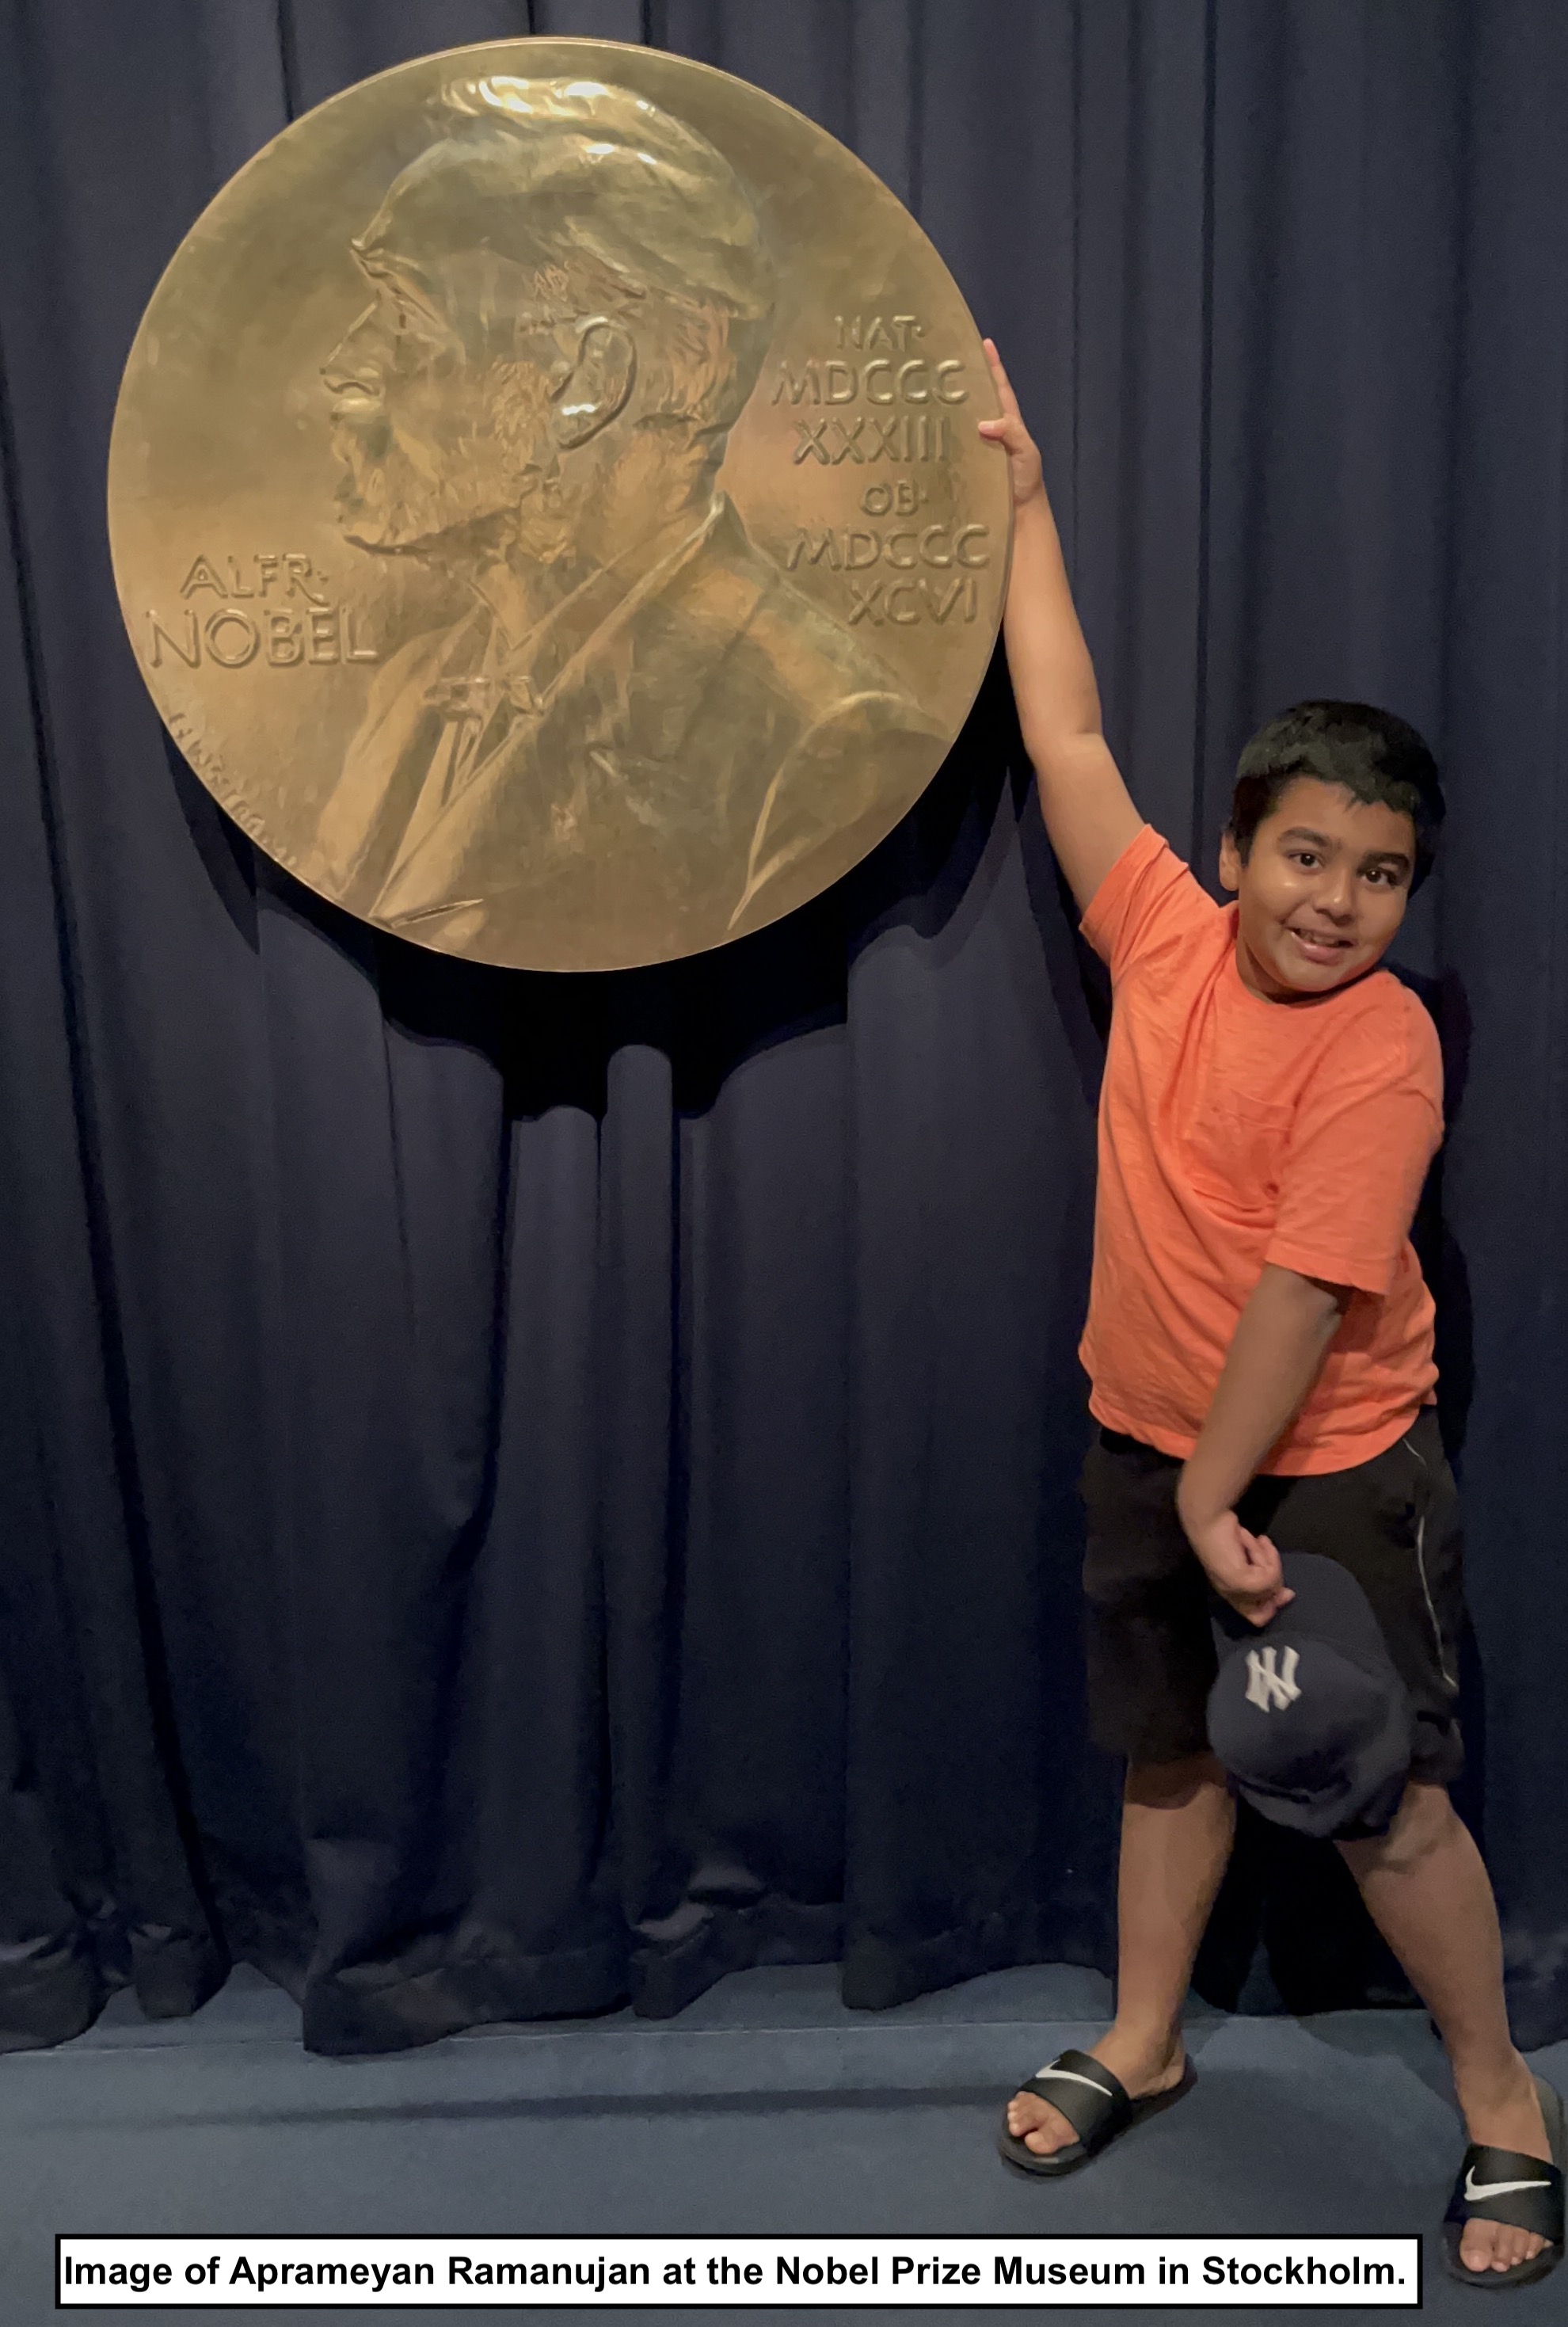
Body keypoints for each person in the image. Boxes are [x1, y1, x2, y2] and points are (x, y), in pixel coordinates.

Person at [979, 343, 1563, 2290]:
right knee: (1167, 1758)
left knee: (1378, 1803)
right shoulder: (1157, 925)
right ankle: (1142, 2040)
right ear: (1232, 850)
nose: (1333, 899)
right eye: (1303, 854)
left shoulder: (1382, 1048)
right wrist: (1023, 504)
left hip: (1310, 1475)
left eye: (1377, 873)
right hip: (1152, 1448)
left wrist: (1230, 1504)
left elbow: (1306, 1289)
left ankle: (1499, 2097)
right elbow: (1060, 738)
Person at [306, 76, 941, 968]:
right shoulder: (412, 692)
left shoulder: (830, 748)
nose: (344, 367)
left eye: (404, 316)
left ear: (589, 381)